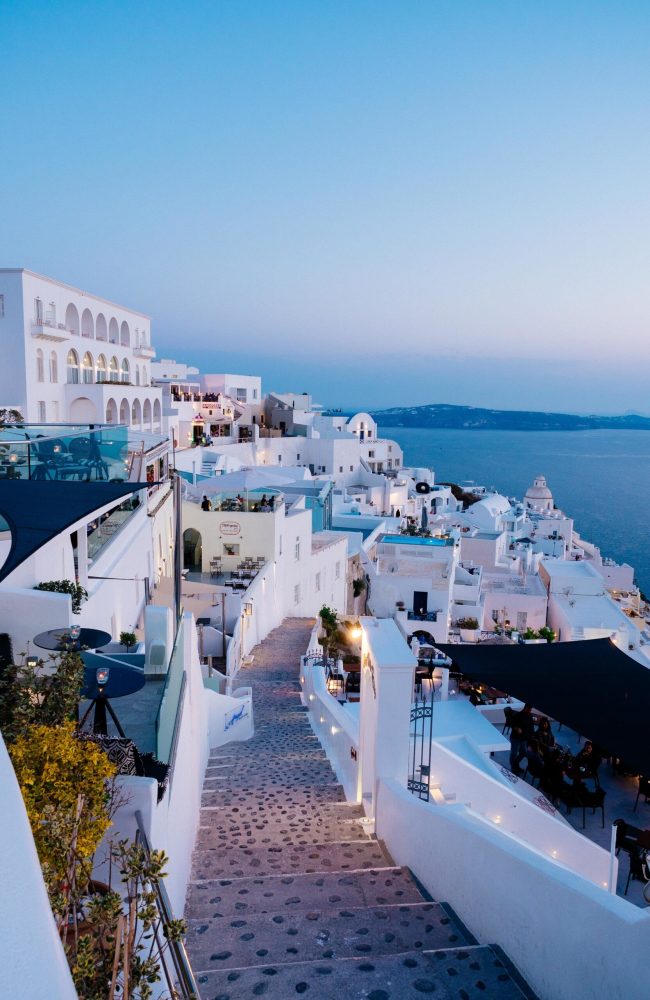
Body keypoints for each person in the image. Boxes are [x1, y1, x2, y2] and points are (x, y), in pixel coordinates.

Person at [509, 704, 536, 775]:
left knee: (524, 752)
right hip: (515, 738)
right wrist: (517, 728)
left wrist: (532, 735)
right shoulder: (518, 715)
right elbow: (511, 724)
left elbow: (531, 727)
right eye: (529, 709)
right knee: (514, 754)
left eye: (531, 710)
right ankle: (513, 768)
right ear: (525, 708)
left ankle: (515, 764)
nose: (530, 711)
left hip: (524, 739)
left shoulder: (530, 716)